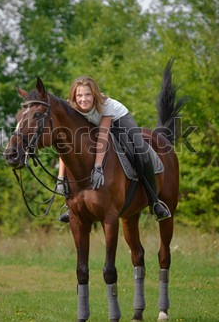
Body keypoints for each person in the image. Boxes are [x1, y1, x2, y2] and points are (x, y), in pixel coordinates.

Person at [56, 75, 171, 222]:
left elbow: (103, 137)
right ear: (73, 97)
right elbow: (67, 147)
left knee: (140, 151)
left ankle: (154, 202)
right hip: (93, 124)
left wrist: (98, 167)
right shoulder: (71, 109)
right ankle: (71, 206)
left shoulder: (105, 105)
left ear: (94, 95)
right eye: (79, 95)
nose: (83, 99)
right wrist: (60, 177)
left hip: (119, 119)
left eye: (87, 94)